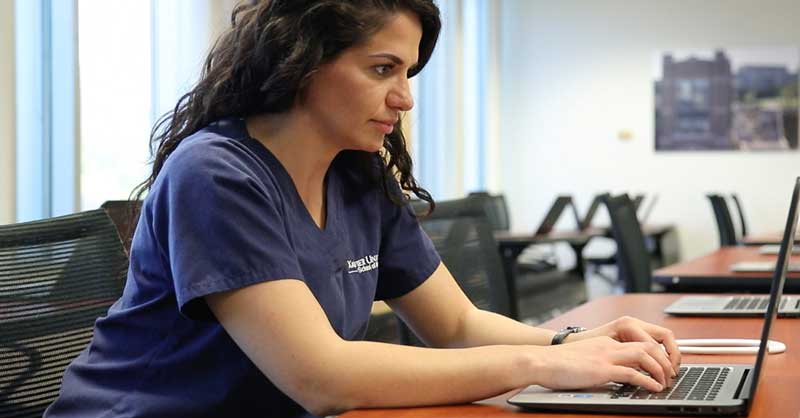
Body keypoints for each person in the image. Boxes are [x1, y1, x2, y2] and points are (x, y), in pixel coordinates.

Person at [44, 1, 681, 417]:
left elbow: (455, 325)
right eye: (382, 68)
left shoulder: (358, 176)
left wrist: (575, 342)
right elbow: (322, 376)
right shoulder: (216, 173)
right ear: (301, 61)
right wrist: (548, 364)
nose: (403, 98)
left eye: (406, 73)